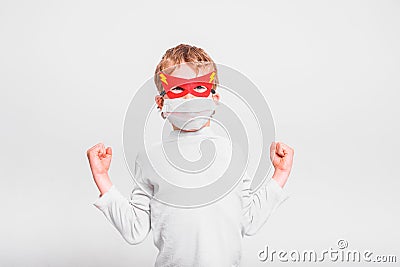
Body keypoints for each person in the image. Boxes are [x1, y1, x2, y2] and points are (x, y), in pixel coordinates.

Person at [87, 44, 294, 267]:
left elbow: (249, 221)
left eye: (198, 88)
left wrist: (280, 174)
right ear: (161, 103)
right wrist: (102, 177)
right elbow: (134, 230)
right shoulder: (150, 158)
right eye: (178, 89)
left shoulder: (233, 152)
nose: (188, 99)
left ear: (215, 99)